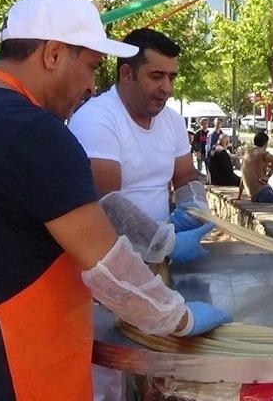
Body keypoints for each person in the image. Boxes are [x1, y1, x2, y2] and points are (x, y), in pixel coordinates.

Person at [0, 0, 231, 401]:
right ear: (53, 54)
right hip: (16, 367)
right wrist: (178, 317)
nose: (91, 84)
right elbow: (107, 263)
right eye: (91, 66)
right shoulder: (36, 132)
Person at [68, 28, 215, 400]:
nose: (166, 87)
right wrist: (162, 240)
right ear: (126, 74)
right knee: (108, 371)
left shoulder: (170, 121)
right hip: (107, 264)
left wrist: (194, 205)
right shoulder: (97, 119)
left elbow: (184, 175)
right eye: (156, 76)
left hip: (158, 262)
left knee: (157, 373)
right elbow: (106, 202)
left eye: (171, 77)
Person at [237, 131, 273, 210]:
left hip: (253, 195)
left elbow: (243, 176)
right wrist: (268, 176)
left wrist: (239, 196)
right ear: (266, 143)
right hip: (262, 192)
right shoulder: (261, 153)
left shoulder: (246, 155)